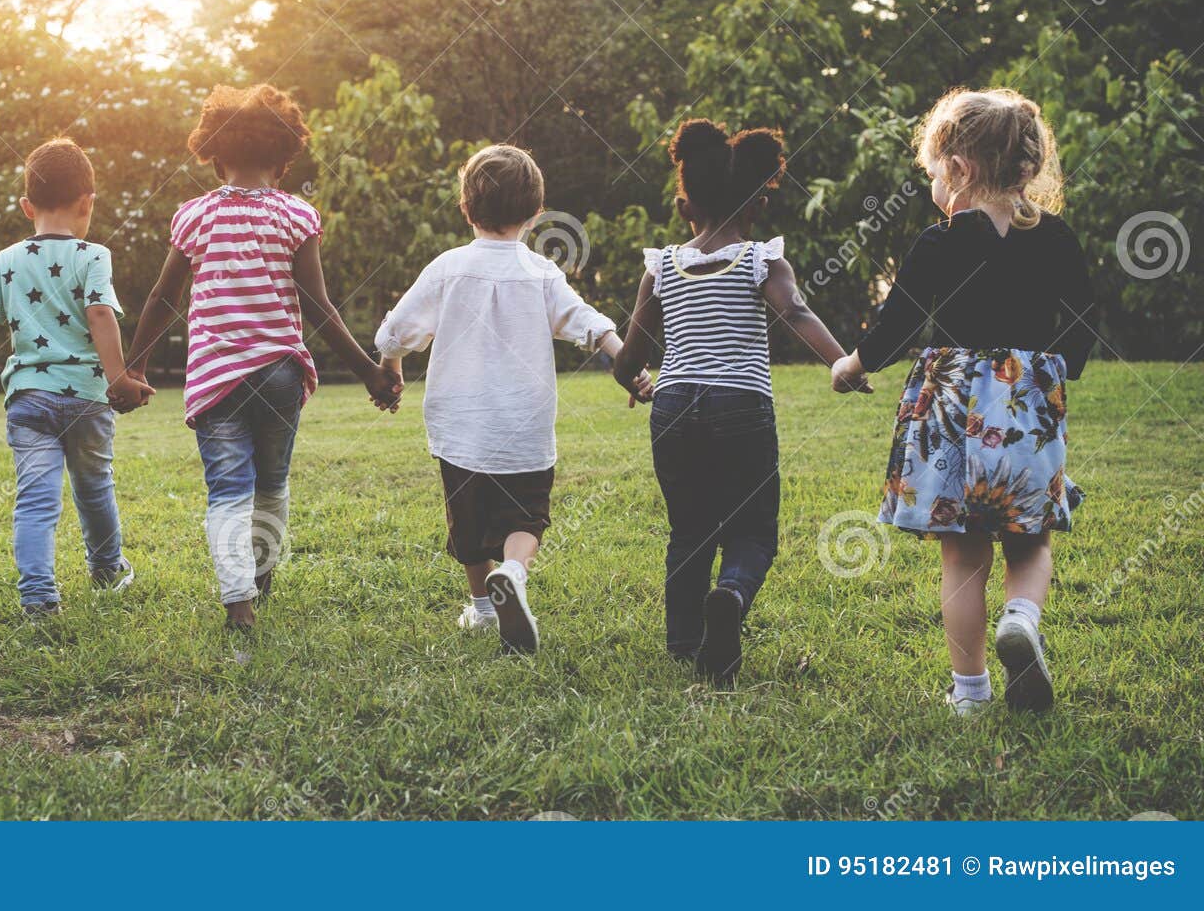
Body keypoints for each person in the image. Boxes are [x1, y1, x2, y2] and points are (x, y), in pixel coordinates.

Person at [830, 88, 1096, 715]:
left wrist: (851, 365)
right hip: (1028, 413)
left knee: (963, 554)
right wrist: (1055, 373)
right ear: (1029, 166)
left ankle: (970, 693)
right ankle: (1023, 619)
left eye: (934, 171)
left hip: (952, 415)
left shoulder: (939, 241)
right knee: (1030, 542)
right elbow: (1083, 321)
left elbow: (896, 326)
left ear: (960, 169)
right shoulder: (1056, 237)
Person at [120, 84, 399, 632]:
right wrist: (368, 371)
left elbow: (161, 298)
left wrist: (135, 368)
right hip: (278, 373)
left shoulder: (193, 217)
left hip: (216, 376)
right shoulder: (297, 215)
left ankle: (239, 605)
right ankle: (263, 577)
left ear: (214, 153)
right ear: (285, 153)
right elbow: (319, 307)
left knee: (228, 490)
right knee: (272, 482)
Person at [612, 119, 867, 685]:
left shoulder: (661, 269)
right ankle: (730, 594)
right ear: (756, 207)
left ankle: (683, 641)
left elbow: (627, 360)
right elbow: (795, 312)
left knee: (688, 527)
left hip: (673, 406)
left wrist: (636, 381)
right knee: (752, 531)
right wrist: (841, 364)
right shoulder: (760, 261)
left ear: (685, 208)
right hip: (740, 406)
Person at [376, 144, 653, 654]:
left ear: (466, 207)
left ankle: (483, 607)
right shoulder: (543, 273)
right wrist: (625, 362)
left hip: (461, 429)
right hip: (524, 428)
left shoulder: (447, 268)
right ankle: (514, 572)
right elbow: (587, 322)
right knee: (527, 517)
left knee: (468, 524)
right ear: (535, 214)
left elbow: (395, 332)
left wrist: (392, 372)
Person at [0, 138, 151, 615]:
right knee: (95, 487)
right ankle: (108, 569)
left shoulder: (7, 260)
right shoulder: (93, 256)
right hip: (87, 399)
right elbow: (100, 316)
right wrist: (118, 379)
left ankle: (39, 598)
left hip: (29, 402)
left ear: (27, 206)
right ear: (88, 202)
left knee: (36, 499)